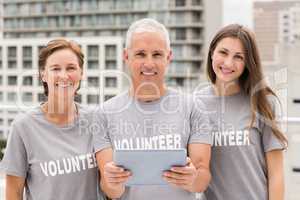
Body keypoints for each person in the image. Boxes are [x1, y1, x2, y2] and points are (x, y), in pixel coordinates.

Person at [93, 18, 211, 200]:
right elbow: (111, 191)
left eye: (157, 54)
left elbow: (202, 179)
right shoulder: (104, 114)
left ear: (168, 57)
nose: (149, 63)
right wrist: (112, 181)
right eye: (140, 54)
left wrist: (192, 178)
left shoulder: (192, 107)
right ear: (126, 57)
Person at [0, 39, 104, 200]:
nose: (64, 75)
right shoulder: (23, 127)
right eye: (55, 69)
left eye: (71, 68)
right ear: (43, 74)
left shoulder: (96, 120)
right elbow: (13, 193)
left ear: (81, 73)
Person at [195, 24, 287, 200]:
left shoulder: (264, 102)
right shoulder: (195, 103)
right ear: (212, 52)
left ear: (247, 63)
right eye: (223, 52)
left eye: (238, 57)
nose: (228, 63)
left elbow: (276, 174)